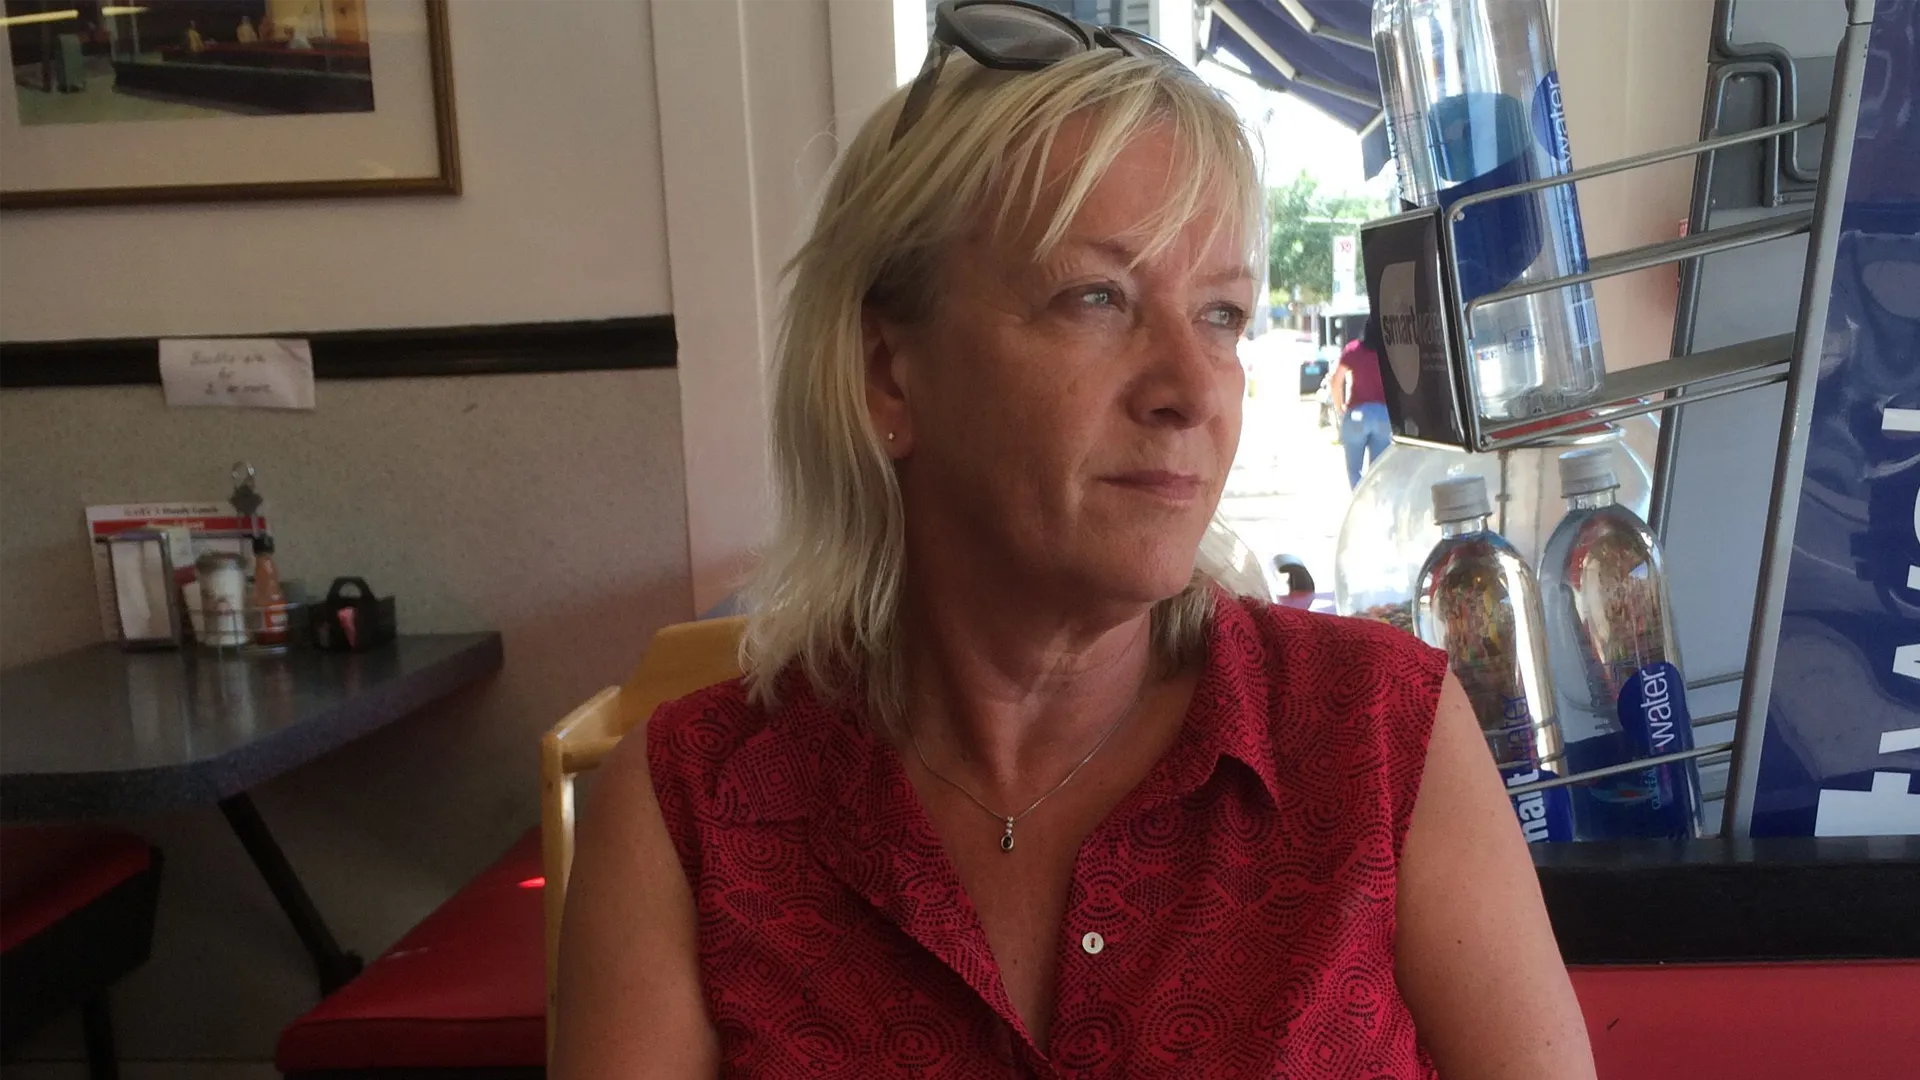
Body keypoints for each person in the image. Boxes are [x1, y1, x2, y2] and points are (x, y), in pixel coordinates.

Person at [553, 3, 1595, 1077]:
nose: (1193, 389)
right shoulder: (691, 814)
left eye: (1222, 315)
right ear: (887, 376)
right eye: (1096, 297)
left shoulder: (1379, 736)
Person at [1330, 315, 1392, 488]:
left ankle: (1359, 498)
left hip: (1357, 415)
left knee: (1354, 470)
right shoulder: (1390, 352)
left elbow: (1336, 381)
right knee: (1378, 471)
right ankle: (1375, 499)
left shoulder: (1353, 350)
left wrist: (1340, 407)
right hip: (1383, 416)